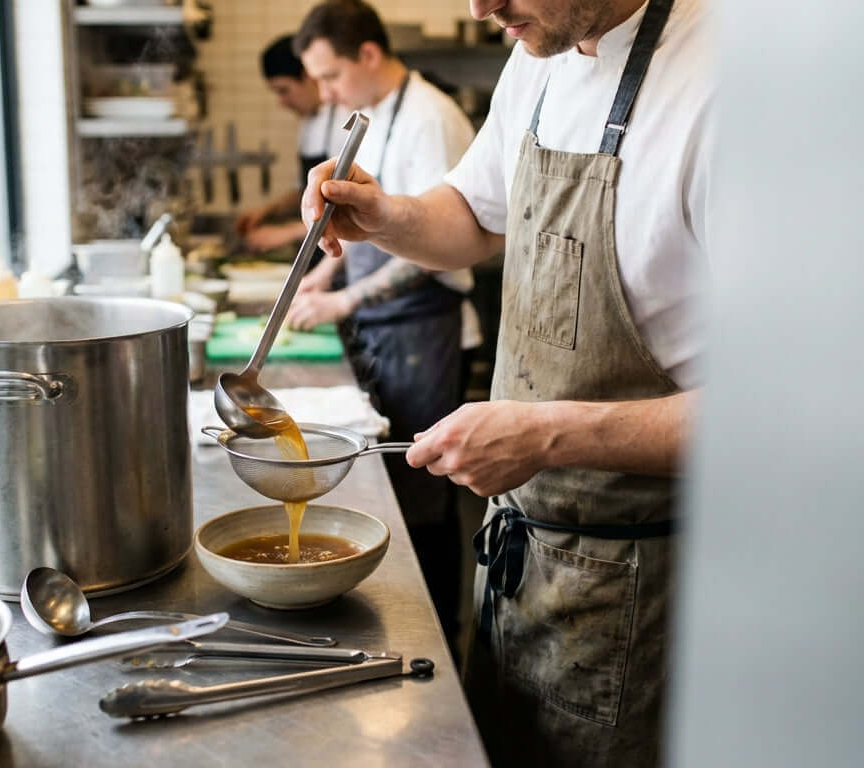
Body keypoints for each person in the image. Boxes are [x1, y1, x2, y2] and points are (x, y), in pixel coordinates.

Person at [299, 0, 714, 764]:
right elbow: (474, 216)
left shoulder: (730, 86)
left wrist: (549, 434)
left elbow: (779, 415)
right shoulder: (539, 57)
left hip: (643, 578)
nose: (478, 6)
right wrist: (385, 214)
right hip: (523, 558)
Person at [284, 0, 478, 653]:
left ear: (369, 54)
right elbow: (372, 228)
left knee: (424, 490)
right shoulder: (369, 115)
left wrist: (342, 303)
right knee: (395, 487)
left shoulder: (432, 118)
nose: (325, 92)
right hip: (382, 324)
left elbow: (436, 256)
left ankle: (437, 637)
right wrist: (327, 276)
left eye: (332, 75)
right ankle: (395, 618)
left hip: (423, 329)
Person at [233, 35, 345, 253]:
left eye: (284, 90)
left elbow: (346, 213)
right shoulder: (308, 123)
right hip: (315, 250)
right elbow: (304, 191)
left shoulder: (343, 122)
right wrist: (267, 212)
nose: (281, 102)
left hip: (337, 252)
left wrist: (285, 233)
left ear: (309, 76)